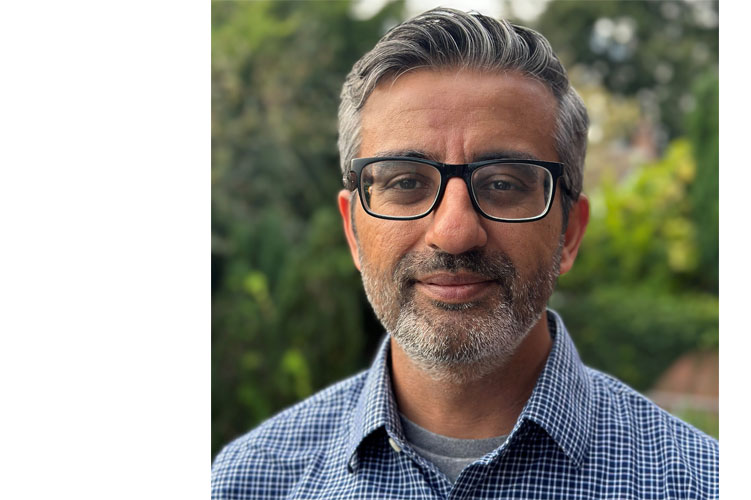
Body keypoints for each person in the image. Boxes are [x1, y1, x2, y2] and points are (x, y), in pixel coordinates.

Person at [212, 8, 718, 499]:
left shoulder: (703, 485)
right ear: (353, 232)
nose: (454, 233)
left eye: (502, 184)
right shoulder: (249, 482)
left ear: (569, 233)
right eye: (406, 183)